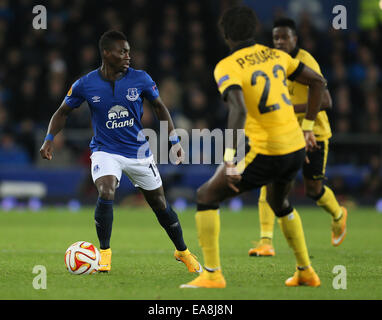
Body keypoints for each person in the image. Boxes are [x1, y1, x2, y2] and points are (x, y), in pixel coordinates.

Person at [180, 6, 326, 289]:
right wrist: (308, 128)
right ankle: (306, 271)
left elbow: (238, 110)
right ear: (256, 30)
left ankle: (212, 274)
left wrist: (230, 159)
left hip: (268, 151)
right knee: (279, 202)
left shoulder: (228, 65)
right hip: (295, 147)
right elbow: (319, 82)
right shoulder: (278, 56)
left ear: (225, 35)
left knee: (207, 195)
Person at [39, 30, 202, 275]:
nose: (128, 55)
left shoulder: (141, 79)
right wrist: (49, 138)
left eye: (129, 50)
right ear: (107, 53)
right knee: (106, 189)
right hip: (106, 150)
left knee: (160, 204)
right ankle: (105, 254)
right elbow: (62, 112)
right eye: (122, 51)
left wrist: (175, 140)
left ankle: (182, 251)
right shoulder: (86, 83)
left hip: (138, 153)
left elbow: (160, 108)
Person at [248, 18, 348, 258]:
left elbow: (326, 100)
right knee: (269, 181)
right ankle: (266, 241)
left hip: (315, 133)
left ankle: (338, 215)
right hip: (285, 133)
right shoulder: (272, 62)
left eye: (284, 37)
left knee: (313, 190)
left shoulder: (306, 62)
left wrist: (294, 113)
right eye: (276, 38)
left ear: (295, 39)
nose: (280, 42)